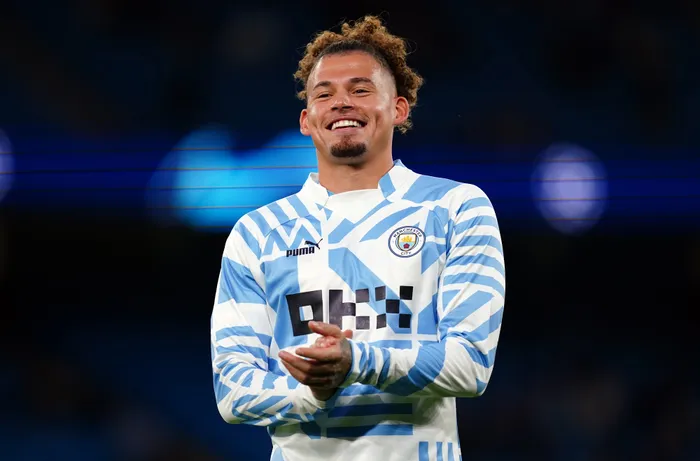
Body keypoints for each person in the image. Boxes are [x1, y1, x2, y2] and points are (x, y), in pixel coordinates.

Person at [210, 15, 506, 461]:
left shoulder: (455, 208)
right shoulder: (257, 233)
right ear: (307, 120)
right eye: (324, 94)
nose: (341, 102)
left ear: (399, 110)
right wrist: (314, 391)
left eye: (361, 90)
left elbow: (471, 366)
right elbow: (232, 390)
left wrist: (357, 361)